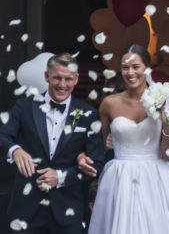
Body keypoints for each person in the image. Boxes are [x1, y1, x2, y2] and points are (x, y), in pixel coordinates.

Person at [79, 44, 169, 234]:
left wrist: (168, 126)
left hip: (157, 176)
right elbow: (100, 145)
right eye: (125, 67)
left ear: (147, 69)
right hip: (120, 176)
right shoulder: (109, 103)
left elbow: (168, 155)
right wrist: (85, 154)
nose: (130, 72)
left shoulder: (164, 101)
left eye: (136, 67)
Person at [0, 52, 104, 234]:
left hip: (68, 209)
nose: (62, 85)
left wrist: (61, 177)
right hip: (26, 210)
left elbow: (97, 163)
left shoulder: (88, 114)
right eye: (57, 78)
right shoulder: (24, 106)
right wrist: (15, 150)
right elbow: (3, 136)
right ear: (47, 77)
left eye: (68, 79)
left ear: (76, 79)